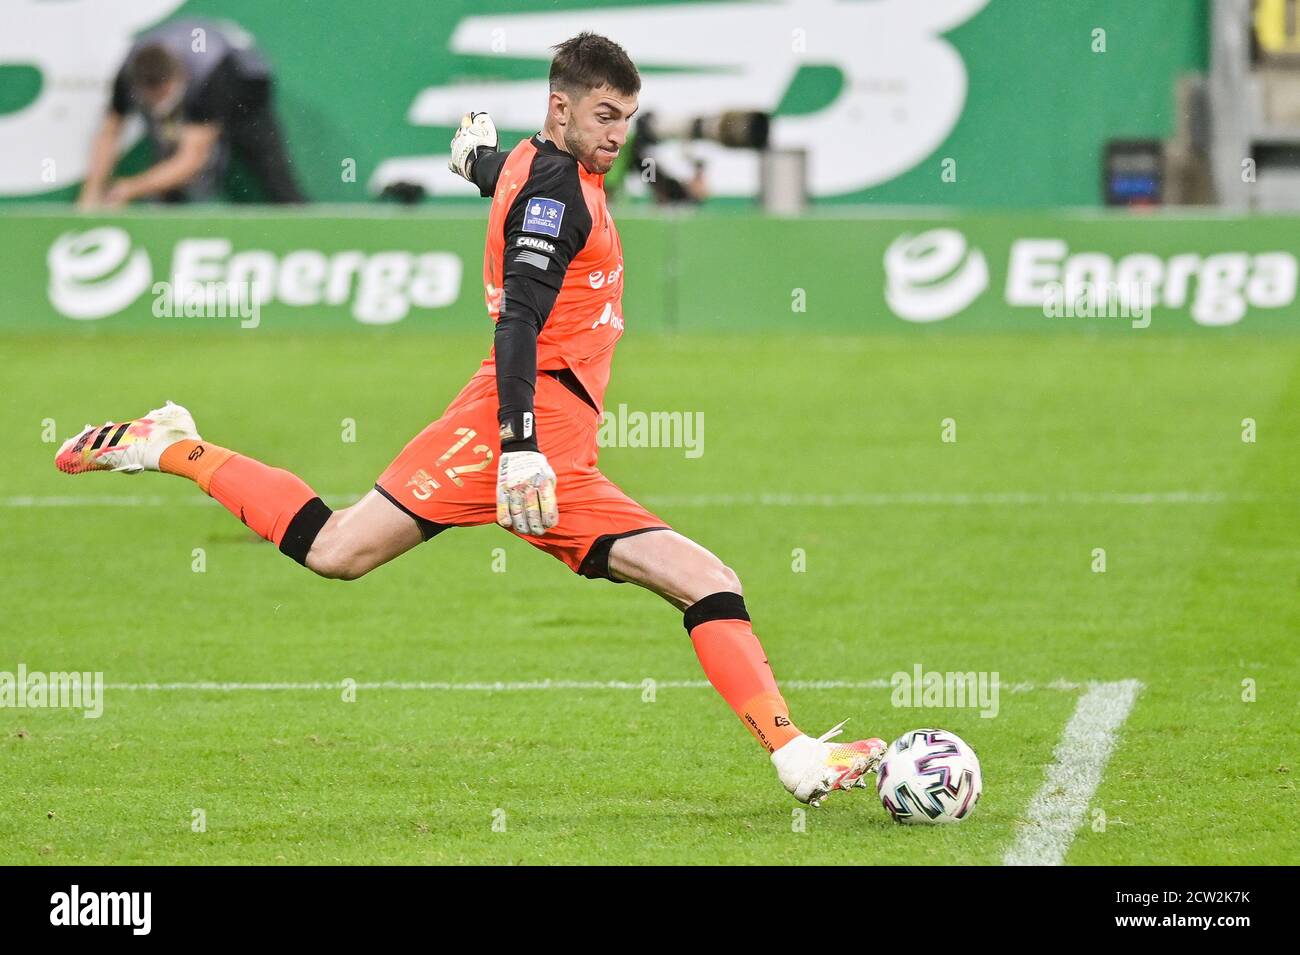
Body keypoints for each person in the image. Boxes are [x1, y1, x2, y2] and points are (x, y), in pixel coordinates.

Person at [54, 32, 882, 806]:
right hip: (518, 434)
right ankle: (796, 756)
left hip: (535, 438)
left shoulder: (535, 163)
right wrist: (521, 450)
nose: (617, 135)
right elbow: (518, 317)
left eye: (626, 119)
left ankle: (174, 445)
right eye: (603, 116)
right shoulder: (558, 190)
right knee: (351, 551)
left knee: (353, 551)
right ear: (561, 108)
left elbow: (500, 173)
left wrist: (471, 157)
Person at [79, 18, 304, 207]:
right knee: (163, 174)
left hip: (245, 89)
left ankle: (302, 226)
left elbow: (192, 159)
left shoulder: (213, 76)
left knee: (272, 174)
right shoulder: (128, 74)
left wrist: (130, 188)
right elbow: (109, 131)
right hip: (192, 91)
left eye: (163, 95)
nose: (159, 105)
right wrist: (90, 195)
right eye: (151, 100)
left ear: (181, 77)